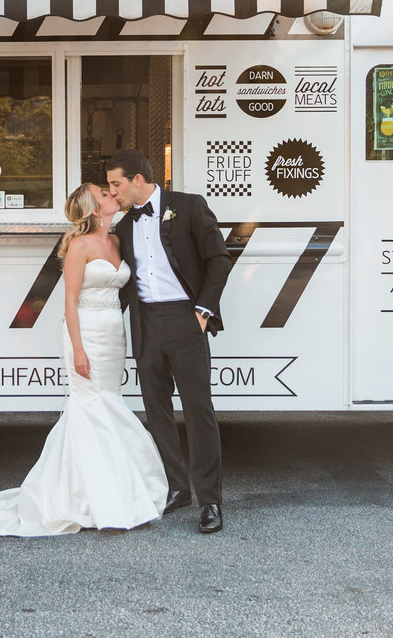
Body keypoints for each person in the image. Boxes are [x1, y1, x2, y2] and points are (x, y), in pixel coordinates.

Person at [0, 183, 167, 536]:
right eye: (105, 195)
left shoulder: (117, 241)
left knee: (109, 401)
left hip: (112, 334)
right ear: (94, 208)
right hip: (86, 332)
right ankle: (90, 498)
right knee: (89, 405)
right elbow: (70, 303)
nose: (112, 196)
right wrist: (77, 348)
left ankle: (113, 490)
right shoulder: (78, 246)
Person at [106, 149, 232, 534]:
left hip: (185, 319)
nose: (113, 193)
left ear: (138, 180)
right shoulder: (123, 225)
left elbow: (219, 259)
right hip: (146, 322)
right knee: (156, 410)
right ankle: (177, 488)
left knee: (198, 410)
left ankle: (210, 500)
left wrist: (203, 311)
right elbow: (125, 281)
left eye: (116, 184)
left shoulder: (190, 206)